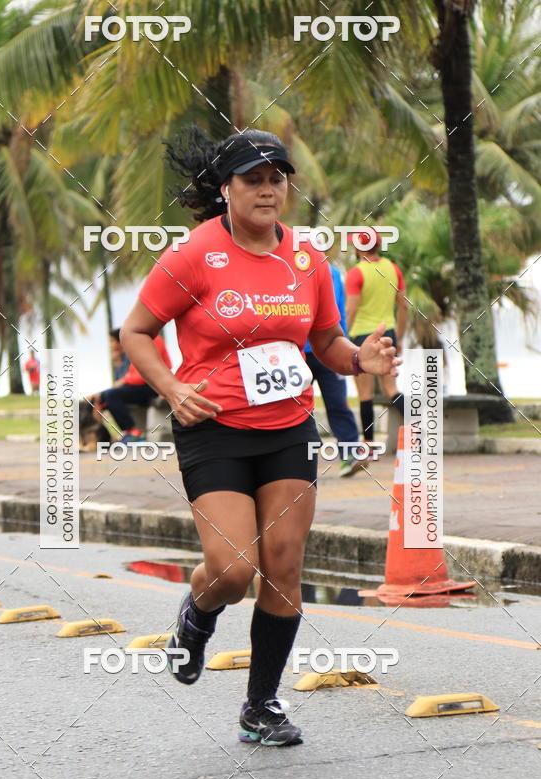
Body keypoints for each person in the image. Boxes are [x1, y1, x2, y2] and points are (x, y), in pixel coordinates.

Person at [120, 127, 401, 747]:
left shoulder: (305, 257)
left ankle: (261, 705)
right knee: (232, 568)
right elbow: (136, 331)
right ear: (226, 190)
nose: (268, 189)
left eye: (277, 178)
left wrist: (363, 362)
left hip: (288, 427)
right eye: (253, 178)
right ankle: (196, 615)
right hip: (212, 428)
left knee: (284, 565)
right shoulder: (194, 254)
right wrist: (171, 388)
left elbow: (326, 342)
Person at [345, 231, 407, 445]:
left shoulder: (356, 273)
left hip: (362, 335)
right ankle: (420, 428)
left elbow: (350, 311)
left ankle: (369, 444)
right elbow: (404, 306)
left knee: (364, 393)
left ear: (360, 248)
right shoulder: (393, 269)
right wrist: (399, 336)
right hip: (388, 333)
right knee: (392, 389)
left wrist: (343, 338)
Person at [305, 264, 363, 477]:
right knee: (329, 405)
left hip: (318, 349)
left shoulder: (331, 273)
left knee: (330, 404)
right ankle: (346, 452)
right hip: (315, 350)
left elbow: (340, 310)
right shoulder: (332, 272)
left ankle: (346, 455)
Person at [87, 332, 172, 445]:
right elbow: (133, 374)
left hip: (153, 385)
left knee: (111, 395)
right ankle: (103, 438)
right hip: (140, 385)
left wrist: (124, 381)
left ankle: (132, 432)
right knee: (95, 400)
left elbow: (145, 373)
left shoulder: (153, 339)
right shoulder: (137, 340)